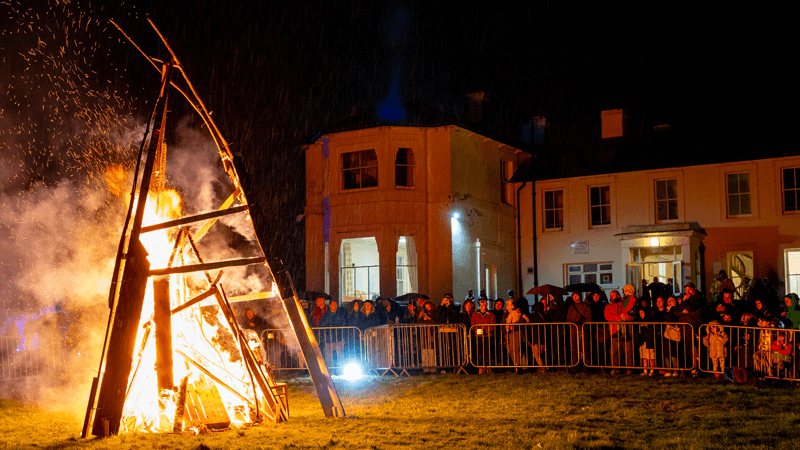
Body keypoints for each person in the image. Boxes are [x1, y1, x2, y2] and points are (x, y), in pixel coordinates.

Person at [604, 287, 636, 374]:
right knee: (614, 351)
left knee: (628, 351)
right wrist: (619, 317)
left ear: (618, 295)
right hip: (614, 331)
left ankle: (629, 368)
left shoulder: (625, 304)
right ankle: (615, 367)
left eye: (613, 295)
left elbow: (632, 314)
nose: (611, 297)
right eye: (610, 295)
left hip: (627, 330)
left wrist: (628, 318)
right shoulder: (608, 306)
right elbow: (607, 316)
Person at [565, 291, 592, 369]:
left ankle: (586, 366)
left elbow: (589, 319)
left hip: (583, 330)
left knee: (584, 348)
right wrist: (571, 325)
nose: (575, 297)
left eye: (576, 295)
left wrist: (581, 323)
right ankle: (575, 366)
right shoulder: (571, 307)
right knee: (574, 348)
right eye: (573, 295)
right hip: (573, 331)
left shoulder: (585, 306)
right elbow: (568, 318)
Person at [319, 299, 348, 367]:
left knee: (340, 355)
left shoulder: (340, 315)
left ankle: (340, 369)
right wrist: (324, 336)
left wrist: (343, 335)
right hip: (329, 338)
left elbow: (343, 325)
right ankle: (330, 369)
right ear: (330, 306)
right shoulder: (325, 316)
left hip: (339, 338)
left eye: (335, 305)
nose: (334, 306)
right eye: (333, 305)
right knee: (329, 356)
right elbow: (322, 326)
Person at [471, 298, 496, 373]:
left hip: (488, 336)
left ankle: (488, 367)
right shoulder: (475, 314)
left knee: (488, 352)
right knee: (479, 352)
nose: (482, 307)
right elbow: (473, 323)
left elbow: (492, 324)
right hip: (478, 336)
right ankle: (480, 367)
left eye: (484, 305)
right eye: (481, 305)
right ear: (479, 306)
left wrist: (487, 331)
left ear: (486, 306)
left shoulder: (491, 315)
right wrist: (476, 330)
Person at [636, 307, 656, 376]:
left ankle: (652, 370)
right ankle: (645, 370)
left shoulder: (650, 320)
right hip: (642, 341)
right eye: (639, 313)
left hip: (649, 341)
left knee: (651, 357)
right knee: (644, 357)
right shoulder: (639, 321)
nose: (641, 314)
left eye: (642, 313)